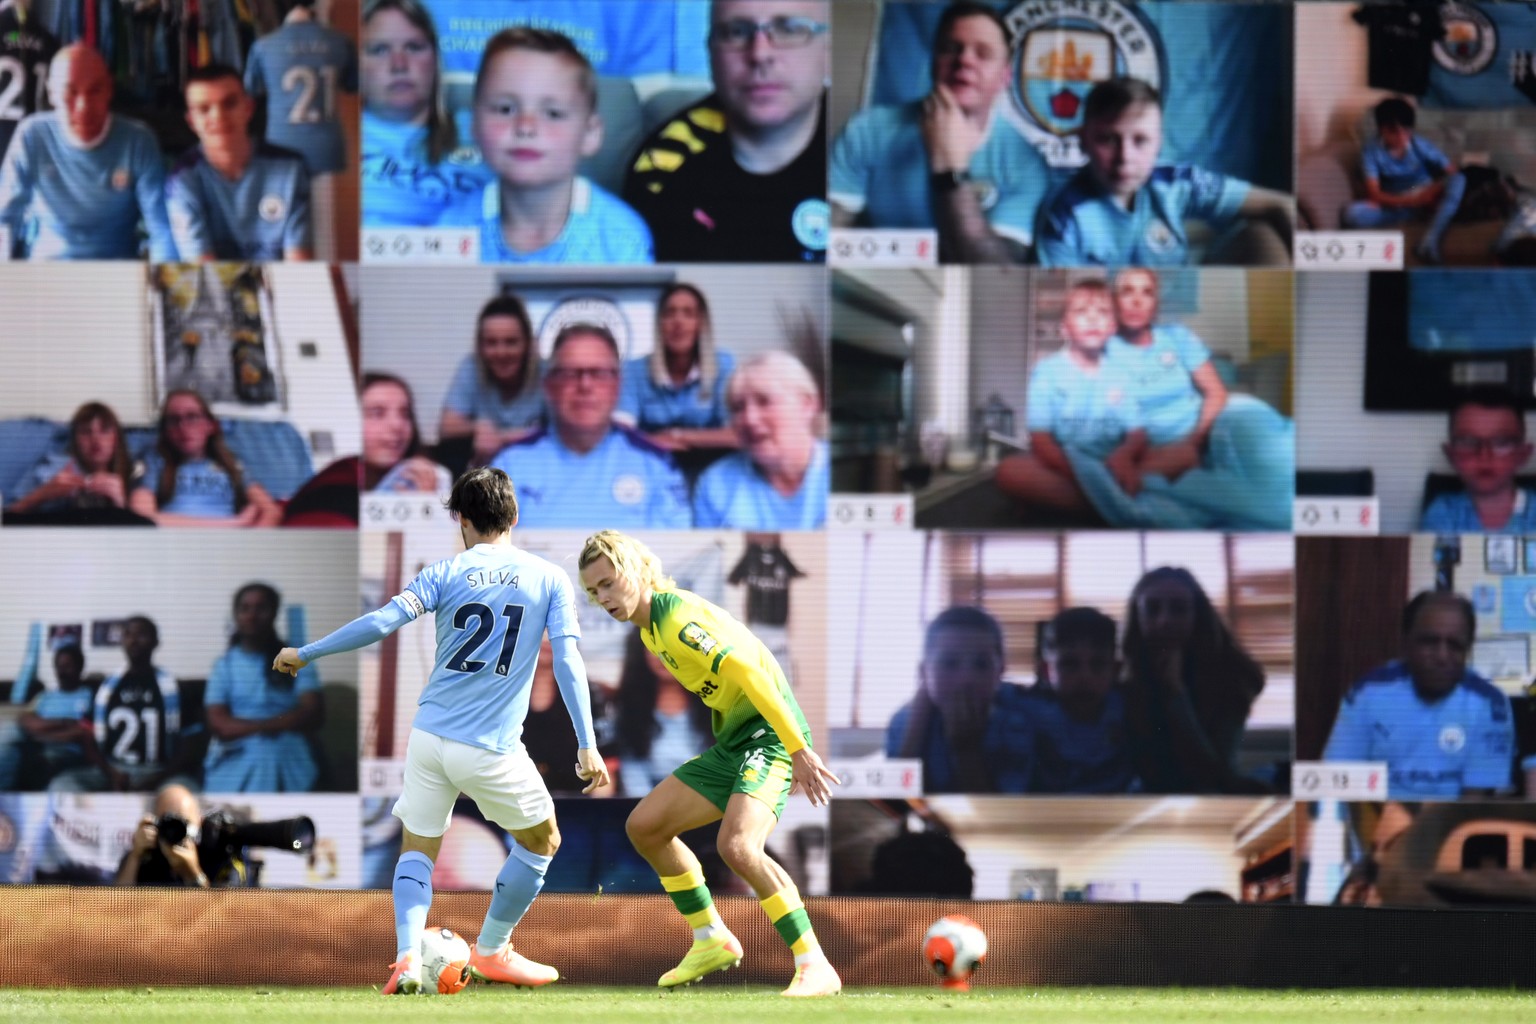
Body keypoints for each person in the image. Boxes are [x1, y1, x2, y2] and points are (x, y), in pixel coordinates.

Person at [273, 467, 611, 994]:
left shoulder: (444, 572)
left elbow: (382, 622)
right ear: (514, 516)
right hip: (491, 748)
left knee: (416, 849)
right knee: (543, 841)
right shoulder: (548, 578)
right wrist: (587, 745)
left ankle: (407, 958)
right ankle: (494, 950)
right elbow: (567, 662)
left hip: (429, 740)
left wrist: (306, 652)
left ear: (462, 520)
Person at [577, 530, 842, 997]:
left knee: (737, 846)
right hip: (735, 743)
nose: (603, 597)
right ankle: (710, 938)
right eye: (594, 590)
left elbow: (751, 672)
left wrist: (797, 748)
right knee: (646, 826)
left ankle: (815, 965)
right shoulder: (649, 630)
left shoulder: (675, 617)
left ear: (638, 570)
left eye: (608, 582)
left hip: (770, 737)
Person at [830, 1, 1050, 262]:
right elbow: (827, 240)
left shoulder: (1026, 165)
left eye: (983, 53)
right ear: (933, 62)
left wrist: (950, 171)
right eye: (950, 49)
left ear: (1005, 77)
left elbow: (995, 268)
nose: (965, 60)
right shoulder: (865, 131)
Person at [624, 0, 829, 263]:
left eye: (789, 29)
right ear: (710, 53)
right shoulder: (663, 169)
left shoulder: (858, 148)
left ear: (828, 50)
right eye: (736, 31)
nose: (759, 54)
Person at [1104, 267, 1295, 529]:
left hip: (1220, 421)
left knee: (1274, 452)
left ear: (1155, 303)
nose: (1137, 300)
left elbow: (1216, 392)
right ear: (1113, 301)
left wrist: (1194, 442)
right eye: (1127, 291)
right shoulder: (1099, 356)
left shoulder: (1176, 336)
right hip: (1162, 453)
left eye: (1146, 292)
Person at [1034, 77, 1294, 267]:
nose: (1125, 158)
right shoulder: (1062, 217)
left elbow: (1280, 203)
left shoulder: (1176, 182)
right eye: (1108, 140)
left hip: (1175, 306)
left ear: (1158, 142)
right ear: (1084, 141)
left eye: (1140, 140)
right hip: (1111, 320)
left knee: (1261, 237)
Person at [446, 27, 652, 264]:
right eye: (505, 109)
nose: (525, 127)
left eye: (553, 113)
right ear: (474, 124)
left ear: (590, 134)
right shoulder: (451, 231)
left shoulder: (621, 239)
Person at [488, 324, 690, 529]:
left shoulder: (656, 464)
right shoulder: (509, 465)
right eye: (571, 373)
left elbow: (676, 553)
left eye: (598, 373)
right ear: (549, 386)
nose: (585, 385)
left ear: (617, 386)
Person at [1324, 590, 1516, 798]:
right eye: (1429, 642)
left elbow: (1474, 804)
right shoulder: (1367, 695)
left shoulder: (1489, 705)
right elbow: (1334, 784)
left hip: (1450, 826)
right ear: (1406, 643)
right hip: (1374, 825)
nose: (1442, 656)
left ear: (1468, 649)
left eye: (1455, 645)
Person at [0, 44, 174, 260]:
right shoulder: (32, 135)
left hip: (117, 276)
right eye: (70, 93)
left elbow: (162, 229)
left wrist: (161, 286)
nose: (83, 106)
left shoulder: (138, 141)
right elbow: (4, 218)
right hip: (46, 272)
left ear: (109, 90)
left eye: (95, 90)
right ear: (51, 93)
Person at [994, 277, 1145, 521]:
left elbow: (1137, 433)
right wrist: (1079, 473)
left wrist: (1124, 455)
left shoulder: (1121, 374)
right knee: (1008, 471)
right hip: (1065, 467)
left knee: (1159, 467)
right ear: (1065, 328)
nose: (1093, 318)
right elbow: (1041, 440)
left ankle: (1090, 503)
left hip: (1110, 467)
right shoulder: (1048, 371)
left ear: (1113, 327)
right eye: (1082, 311)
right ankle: (1109, 504)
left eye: (1103, 312)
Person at [1121, 567, 1268, 795]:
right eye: (1152, 609)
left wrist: (1176, 694)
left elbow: (1214, 773)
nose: (1164, 621)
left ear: (1197, 615)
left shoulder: (1233, 676)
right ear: (1137, 617)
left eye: (1178, 609)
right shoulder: (1122, 679)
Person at [361, 0, 489, 227]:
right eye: (379, 49)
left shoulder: (485, 133)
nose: (398, 64)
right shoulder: (338, 144)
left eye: (413, 47)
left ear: (436, 59)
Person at [167, 63, 313, 262]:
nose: (218, 116)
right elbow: (202, 268)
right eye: (204, 109)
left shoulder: (291, 170)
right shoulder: (182, 180)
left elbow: (298, 264)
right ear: (192, 121)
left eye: (229, 104)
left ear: (248, 108)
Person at [990, 607, 1136, 794]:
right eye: (1069, 664)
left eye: (1098, 665)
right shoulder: (1028, 710)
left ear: (1115, 670)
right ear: (1045, 670)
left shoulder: (1127, 708)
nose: (1085, 677)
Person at [50, 616, 201, 794]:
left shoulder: (174, 688)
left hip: (159, 771)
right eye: (128, 634)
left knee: (189, 792)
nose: (134, 640)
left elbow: (192, 743)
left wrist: (157, 779)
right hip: (114, 770)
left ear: (155, 642)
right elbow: (87, 737)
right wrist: (111, 773)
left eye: (141, 634)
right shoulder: (105, 688)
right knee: (61, 786)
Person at [886, 605, 1023, 794]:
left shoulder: (1017, 725)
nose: (966, 680)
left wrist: (966, 750)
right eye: (949, 663)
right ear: (923, 673)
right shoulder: (903, 721)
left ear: (1000, 672)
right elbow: (895, 802)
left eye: (981, 664)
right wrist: (915, 729)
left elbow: (1001, 815)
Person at [203, 583, 325, 793]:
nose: (252, 616)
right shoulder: (224, 666)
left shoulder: (298, 659)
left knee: (268, 753)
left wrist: (263, 729)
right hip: (237, 749)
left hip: (287, 746)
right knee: (262, 751)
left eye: (261, 608)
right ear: (236, 615)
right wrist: (265, 729)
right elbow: (220, 723)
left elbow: (311, 711)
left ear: (274, 613)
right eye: (245, 608)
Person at [692, 351, 828, 529]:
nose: (749, 418)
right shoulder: (715, 484)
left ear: (807, 405)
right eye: (738, 408)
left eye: (764, 401)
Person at [128, 390, 281, 528]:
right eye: (174, 420)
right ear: (165, 431)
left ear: (210, 425)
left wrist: (251, 542)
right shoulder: (154, 461)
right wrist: (235, 523)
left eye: (192, 417)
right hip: (175, 542)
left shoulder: (231, 464)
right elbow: (141, 516)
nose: (183, 427)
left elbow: (271, 510)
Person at [1343, 97, 1466, 265]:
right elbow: (1375, 193)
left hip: (1426, 193)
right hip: (1397, 202)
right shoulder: (1371, 151)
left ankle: (1429, 240)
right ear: (1381, 130)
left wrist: (1433, 190)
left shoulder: (1419, 144)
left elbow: (1451, 172)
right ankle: (1424, 217)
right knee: (1352, 214)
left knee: (1459, 180)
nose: (1401, 136)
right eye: (1393, 130)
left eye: (1406, 130)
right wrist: (1410, 201)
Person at [244, 0, 359, 179]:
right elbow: (353, 85)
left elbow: (252, 88)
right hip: (326, 146)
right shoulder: (341, 41)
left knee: (288, 200)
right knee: (319, 202)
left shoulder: (263, 45)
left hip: (281, 143)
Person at [617, 284, 738, 452]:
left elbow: (737, 435)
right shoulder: (634, 370)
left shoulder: (723, 365)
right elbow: (620, 436)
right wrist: (654, 442)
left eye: (688, 314)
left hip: (709, 464)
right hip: (651, 463)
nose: (678, 322)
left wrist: (677, 435)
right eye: (669, 313)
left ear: (701, 324)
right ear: (659, 325)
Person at [439, 295, 545, 468]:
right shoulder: (471, 367)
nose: (501, 352)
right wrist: (478, 427)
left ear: (527, 344)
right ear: (480, 347)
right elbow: (447, 427)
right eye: (491, 343)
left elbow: (567, 429)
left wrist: (502, 438)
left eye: (511, 342)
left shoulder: (546, 373)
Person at [612, 629, 714, 799]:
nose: (663, 656)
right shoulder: (628, 708)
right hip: (647, 809)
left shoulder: (713, 704)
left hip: (707, 803)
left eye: (671, 647)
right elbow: (633, 773)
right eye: (654, 647)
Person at [1419, 389, 1536, 533]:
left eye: (1501, 442)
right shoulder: (1443, 512)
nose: (1484, 456)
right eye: (1469, 442)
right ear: (1450, 454)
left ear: (1523, 454)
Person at [6, 401, 138, 516]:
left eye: (105, 430)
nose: (96, 440)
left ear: (117, 438)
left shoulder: (136, 475)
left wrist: (121, 505)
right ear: (75, 440)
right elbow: (8, 516)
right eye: (86, 431)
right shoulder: (51, 469)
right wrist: (43, 493)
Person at [9, 644, 109, 790]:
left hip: (71, 754)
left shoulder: (91, 695)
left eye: (68, 666)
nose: (62, 671)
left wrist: (43, 731)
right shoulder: (44, 697)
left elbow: (83, 732)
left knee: (42, 763)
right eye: (59, 666)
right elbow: (25, 721)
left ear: (80, 667)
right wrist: (65, 723)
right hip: (38, 749)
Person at [362, 373, 453, 494]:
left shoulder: (432, 478)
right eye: (377, 413)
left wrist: (426, 504)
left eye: (405, 414)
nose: (397, 425)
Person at [115, 784, 220, 887]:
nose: (176, 831)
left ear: (199, 820)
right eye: (169, 823)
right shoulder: (145, 854)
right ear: (155, 822)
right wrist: (136, 855)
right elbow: (118, 902)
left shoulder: (216, 854)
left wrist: (193, 873)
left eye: (185, 823)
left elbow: (224, 904)